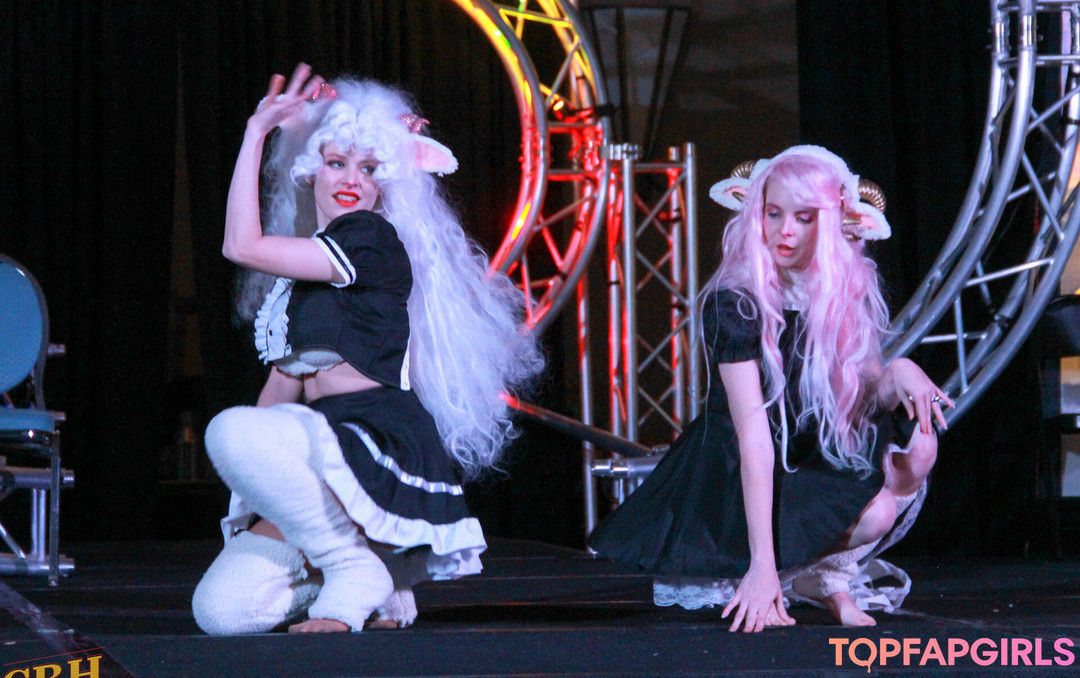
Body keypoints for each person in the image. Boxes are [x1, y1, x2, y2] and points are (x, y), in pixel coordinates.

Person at [191, 64, 543, 634]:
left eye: (370, 168)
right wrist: (257, 489)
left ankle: (351, 570)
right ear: (311, 170)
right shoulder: (309, 267)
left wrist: (256, 133)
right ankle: (376, 575)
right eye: (336, 162)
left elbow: (241, 245)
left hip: (367, 438)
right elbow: (282, 385)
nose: (351, 179)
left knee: (228, 431)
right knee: (222, 613)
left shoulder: (369, 238)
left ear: (386, 183)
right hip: (315, 449)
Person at [587, 145, 951, 632]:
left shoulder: (838, 291)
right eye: (773, 213)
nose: (785, 231)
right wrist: (761, 566)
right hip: (741, 471)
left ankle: (823, 578)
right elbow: (752, 436)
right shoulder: (736, 302)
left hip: (804, 453)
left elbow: (860, 402)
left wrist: (899, 372)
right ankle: (784, 574)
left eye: (803, 218)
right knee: (875, 509)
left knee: (919, 448)